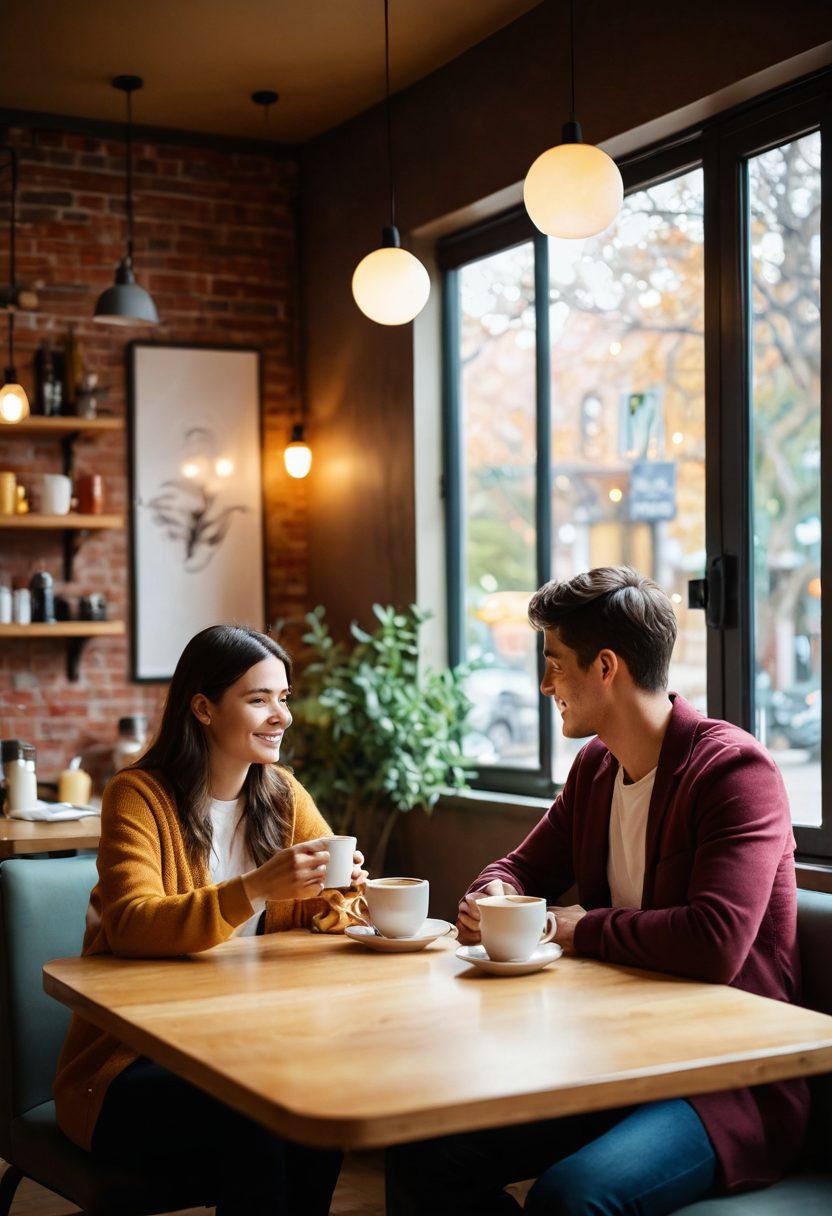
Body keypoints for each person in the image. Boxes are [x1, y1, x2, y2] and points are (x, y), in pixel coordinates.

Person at [386, 567, 806, 1216]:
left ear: (605, 667)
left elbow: (714, 943)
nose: (544, 683)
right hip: (615, 1057)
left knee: (567, 1198)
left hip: (723, 1079)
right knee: (420, 1149)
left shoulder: (732, 770)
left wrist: (576, 927)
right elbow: (521, 869)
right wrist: (494, 891)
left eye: (554, 663)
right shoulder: (597, 767)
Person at [54, 624, 367, 1216]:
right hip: (126, 1069)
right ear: (202, 707)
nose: (282, 716)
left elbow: (343, 912)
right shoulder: (138, 796)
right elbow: (132, 923)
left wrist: (345, 890)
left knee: (313, 1105)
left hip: (244, 1050)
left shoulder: (282, 795)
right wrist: (254, 889)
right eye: (259, 699)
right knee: (265, 1108)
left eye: (284, 698)